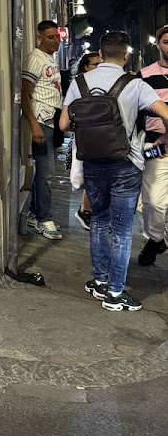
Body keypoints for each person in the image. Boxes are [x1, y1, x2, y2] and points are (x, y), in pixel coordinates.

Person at [60, 31, 168, 312]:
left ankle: (100, 281)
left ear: (101, 52)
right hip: (125, 163)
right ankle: (116, 293)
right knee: (121, 230)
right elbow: (165, 113)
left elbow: (63, 125)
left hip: (92, 162)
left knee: (98, 221)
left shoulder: (80, 82)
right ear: (126, 55)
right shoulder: (135, 84)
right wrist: (162, 140)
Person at [21, 20, 64, 239]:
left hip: (52, 121)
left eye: (57, 36)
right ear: (39, 37)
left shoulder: (50, 58)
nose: (55, 41)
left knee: (44, 172)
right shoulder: (35, 59)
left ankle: (35, 212)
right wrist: (34, 125)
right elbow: (23, 94)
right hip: (42, 122)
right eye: (50, 37)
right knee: (47, 174)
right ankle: (44, 219)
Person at [137, 23, 168, 266]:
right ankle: (155, 238)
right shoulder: (145, 75)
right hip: (156, 146)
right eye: (166, 42)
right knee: (153, 200)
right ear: (158, 44)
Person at [69, 51, 102, 231]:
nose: (99, 68)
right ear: (85, 67)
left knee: (96, 174)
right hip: (85, 135)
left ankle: (89, 211)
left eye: (101, 64)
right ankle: (86, 211)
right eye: (95, 64)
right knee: (89, 173)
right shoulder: (79, 84)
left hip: (101, 135)